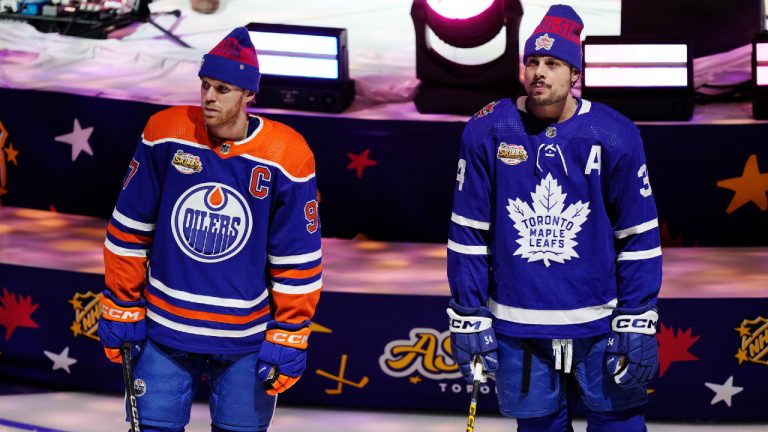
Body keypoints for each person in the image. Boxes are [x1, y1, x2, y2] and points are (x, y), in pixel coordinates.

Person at [446, 5, 661, 432]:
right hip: (517, 322)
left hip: (600, 319)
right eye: (532, 62)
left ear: (575, 74)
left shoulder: (614, 132)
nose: (539, 72)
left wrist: (638, 316)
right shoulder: (488, 128)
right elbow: (468, 233)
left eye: (553, 63)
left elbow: (638, 235)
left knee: (620, 425)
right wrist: (468, 311)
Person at [97, 27, 322, 432]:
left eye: (223, 87)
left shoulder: (287, 153)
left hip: (246, 339)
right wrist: (121, 300)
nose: (208, 97)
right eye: (204, 85)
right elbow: (128, 230)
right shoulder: (165, 131)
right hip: (164, 329)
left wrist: (290, 330)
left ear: (250, 95)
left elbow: (298, 258)